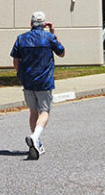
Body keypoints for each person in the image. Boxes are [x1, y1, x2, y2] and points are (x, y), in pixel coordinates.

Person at [10, 11, 65, 160]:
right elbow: (62, 52)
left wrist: (21, 75)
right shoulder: (49, 37)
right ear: (44, 24)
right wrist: (53, 32)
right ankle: (35, 137)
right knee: (45, 111)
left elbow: (16, 61)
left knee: (33, 112)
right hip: (44, 81)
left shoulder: (21, 39)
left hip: (27, 81)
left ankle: (36, 142)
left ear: (31, 24)